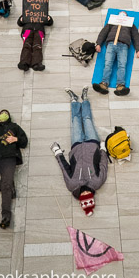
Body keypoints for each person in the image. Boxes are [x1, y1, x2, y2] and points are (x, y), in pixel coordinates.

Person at [50, 87, 109, 215]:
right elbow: (103, 165)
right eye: (89, 195)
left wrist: (57, 152)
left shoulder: (72, 185)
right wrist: (103, 149)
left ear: (81, 199)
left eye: (84, 196)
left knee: (76, 120)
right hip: (93, 144)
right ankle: (85, 99)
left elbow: (64, 168)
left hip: (76, 146)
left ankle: (73, 100)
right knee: (87, 119)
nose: (87, 193)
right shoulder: (97, 182)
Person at [93, 12, 139, 96]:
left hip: (123, 46)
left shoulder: (130, 24)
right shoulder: (112, 22)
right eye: (120, 14)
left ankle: (120, 85)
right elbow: (103, 33)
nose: (122, 15)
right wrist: (98, 43)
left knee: (122, 65)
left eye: (124, 14)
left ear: (127, 17)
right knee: (108, 63)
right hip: (111, 44)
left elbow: (136, 37)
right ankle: (104, 83)